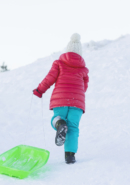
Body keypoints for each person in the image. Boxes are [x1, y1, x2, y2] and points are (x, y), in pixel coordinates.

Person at [33, 33, 89, 164]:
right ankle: (70, 156)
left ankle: (59, 123)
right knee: (73, 128)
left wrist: (39, 90)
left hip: (61, 99)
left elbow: (49, 79)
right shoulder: (84, 70)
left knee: (58, 118)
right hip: (77, 103)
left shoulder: (59, 64)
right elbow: (84, 88)